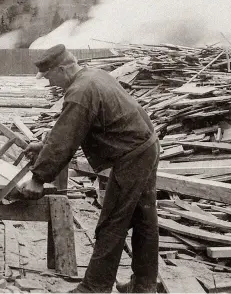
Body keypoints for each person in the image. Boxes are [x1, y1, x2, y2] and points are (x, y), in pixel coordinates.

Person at [18, 44, 159, 293]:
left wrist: (37, 179)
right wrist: (44, 145)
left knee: (112, 221)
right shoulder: (92, 76)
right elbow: (74, 127)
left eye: (49, 76)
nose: (49, 82)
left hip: (133, 156)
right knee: (143, 217)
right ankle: (144, 285)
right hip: (145, 146)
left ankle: (95, 288)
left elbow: (66, 137)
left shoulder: (80, 91)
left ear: (61, 69)